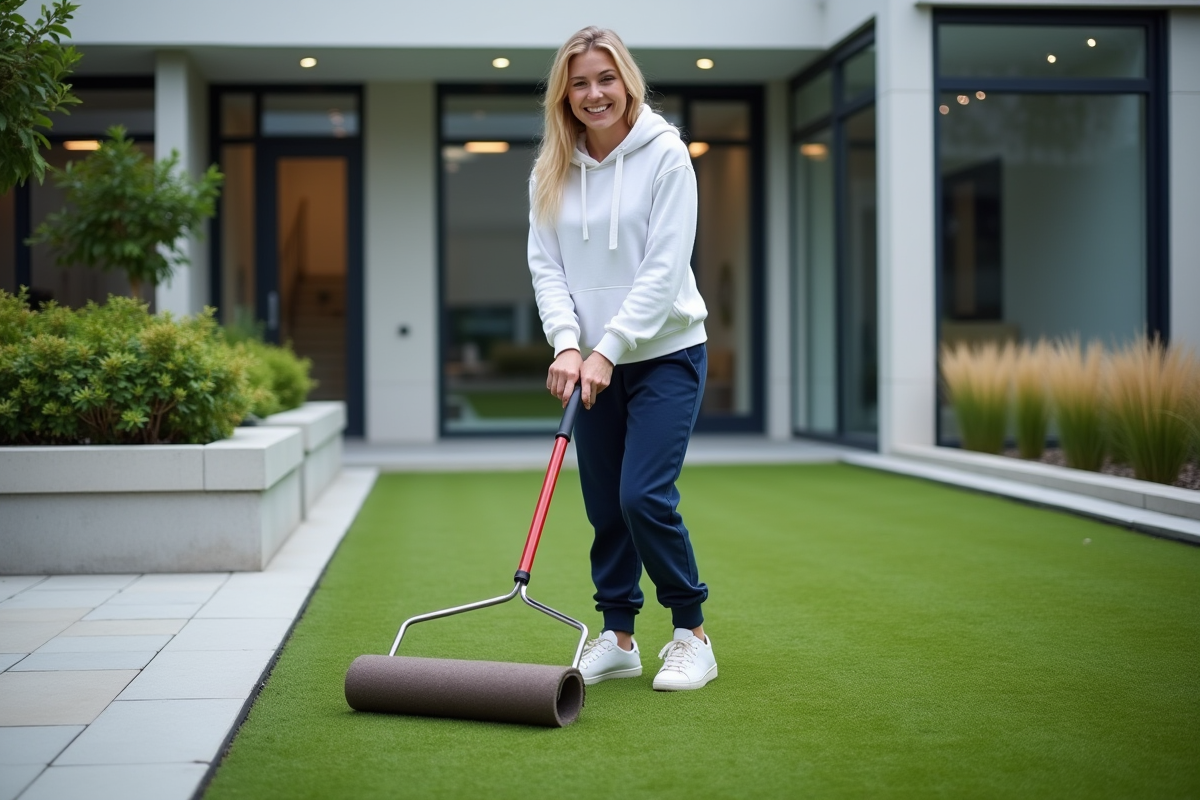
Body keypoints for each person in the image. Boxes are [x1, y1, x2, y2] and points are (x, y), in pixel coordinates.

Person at [527, 26, 716, 691]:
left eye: (605, 78)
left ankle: (692, 634)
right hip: (591, 363)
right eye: (579, 82)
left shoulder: (666, 155)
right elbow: (547, 268)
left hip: (665, 352)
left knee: (643, 496)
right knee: (606, 504)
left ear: (627, 81)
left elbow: (663, 270)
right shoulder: (552, 166)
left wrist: (608, 347)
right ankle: (619, 635)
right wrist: (568, 344)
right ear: (565, 93)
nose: (593, 93)